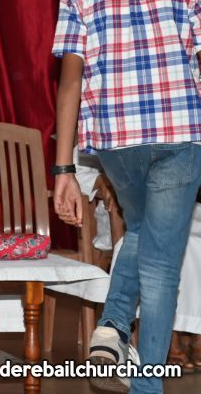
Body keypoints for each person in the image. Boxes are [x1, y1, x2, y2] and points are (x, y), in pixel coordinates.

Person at [52, 0, 201, 394]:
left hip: (117, 145)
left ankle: (113, 325)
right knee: (160, 264)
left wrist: (63, 170)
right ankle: (146, 386)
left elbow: (69, 84)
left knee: (140, 229)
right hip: (181, 138)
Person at [76, 154, 201, 373]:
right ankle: (169, 337)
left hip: (184, 200)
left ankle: (194, 332)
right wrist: (102, 182)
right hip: (127, 207)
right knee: (169, 239)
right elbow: (76, 167)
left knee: (182, 232)